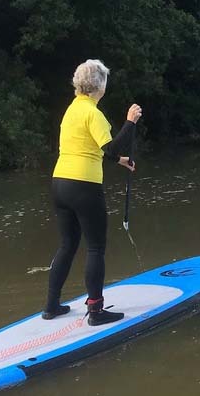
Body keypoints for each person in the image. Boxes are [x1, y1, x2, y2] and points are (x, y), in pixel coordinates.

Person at [42, 59, 142, 326]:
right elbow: (111, 148)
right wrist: (130, 123)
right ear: (100, 85)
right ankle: (96, 312)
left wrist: (119, 161)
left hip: (60, 183)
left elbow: (92, 147)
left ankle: (51, 306)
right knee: (96, 247)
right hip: (84, 186)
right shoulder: (93, 113)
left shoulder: (72, 109)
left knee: (67, 244)